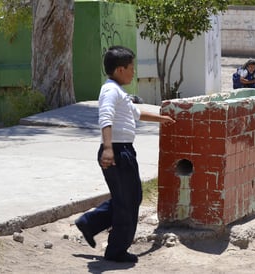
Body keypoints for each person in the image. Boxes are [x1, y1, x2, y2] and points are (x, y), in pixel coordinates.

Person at [75, 46, 175, 263]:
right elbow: (105, 117)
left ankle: (90, 223)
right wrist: (109, 148)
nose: (133, 72)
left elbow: (137, 114)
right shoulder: (111, 91)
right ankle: (116, 251)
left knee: (130, 197)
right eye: (131, 68)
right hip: (117, 150)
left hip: (123, 150)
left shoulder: (118, 91)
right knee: (127, 201)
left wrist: (162, 119)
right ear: (120, 69)